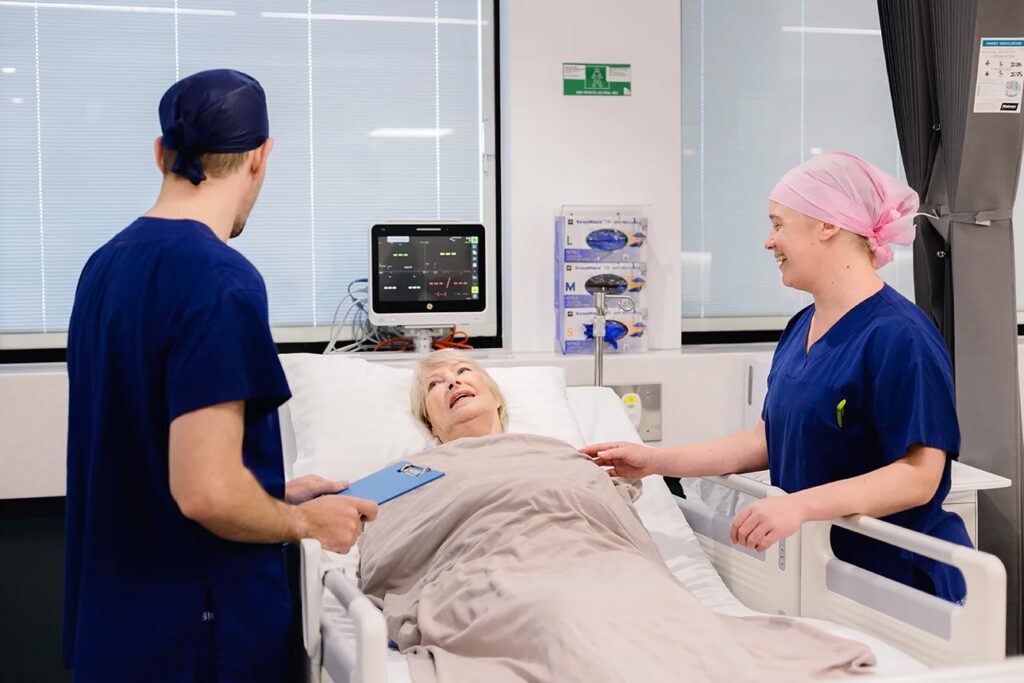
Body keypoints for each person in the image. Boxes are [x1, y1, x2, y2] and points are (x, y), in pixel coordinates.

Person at [64, 69, 377, 683]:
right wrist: (303, 522)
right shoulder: (219, 280)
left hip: (115, 627)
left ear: (161, 152)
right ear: (260, 157)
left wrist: (270, 493)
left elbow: (147, 449)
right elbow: (205, 492)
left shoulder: (103, 267)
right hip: (196, 635)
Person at [582, 151, 971, 603]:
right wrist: (652, 461)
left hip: (901, 581)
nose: (769, 242)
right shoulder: (801, 327)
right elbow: (765, 441)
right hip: (823, 573)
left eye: (778, 224)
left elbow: (919, 477)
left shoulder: (901, 336)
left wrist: (800, 505)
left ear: (827, 225)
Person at [351, 349, 876, 683]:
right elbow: (378, 540)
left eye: (464, 372)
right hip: (494, 568)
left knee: (657, 604)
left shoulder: (558, 452)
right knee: (554, 613)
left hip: (597, 557)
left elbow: (607, 513)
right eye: (436, 385)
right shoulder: (412, 471)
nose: (452, 382)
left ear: (497, 400)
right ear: (430, 423)